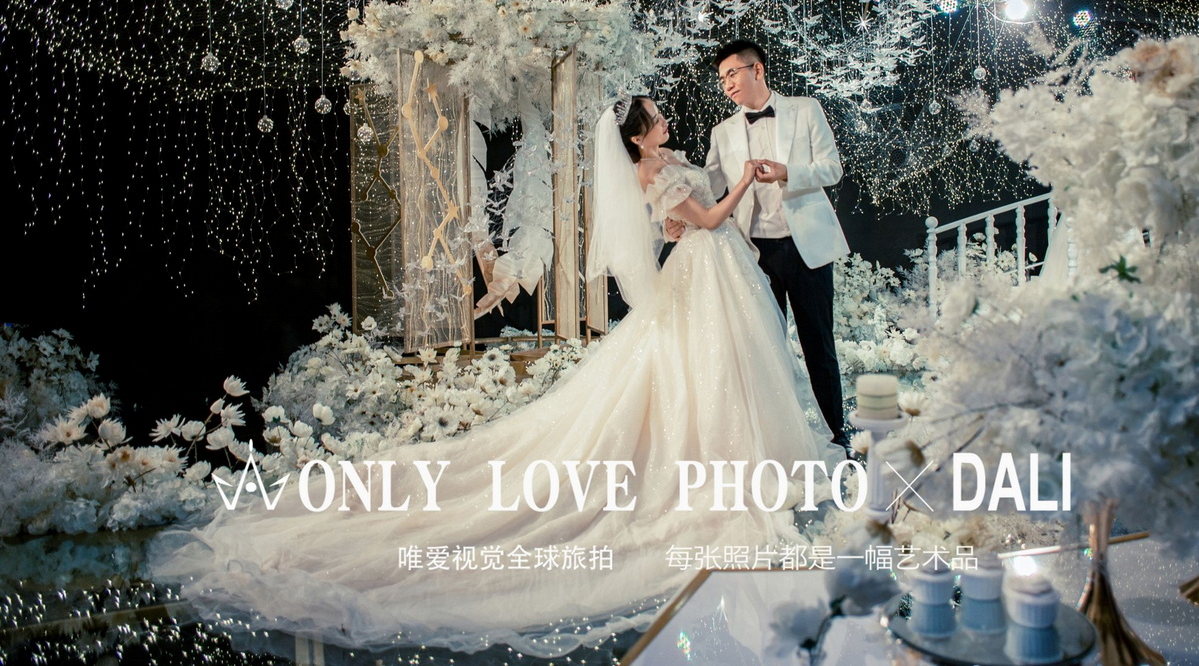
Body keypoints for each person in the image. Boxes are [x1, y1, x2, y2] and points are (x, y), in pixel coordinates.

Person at [150, 96, 842, 657]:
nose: (666, 120)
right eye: (656, 117)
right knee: (697, 373)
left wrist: (707, 207)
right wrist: (744, 184)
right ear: (637, 137)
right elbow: (708, 217)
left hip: (715, 273)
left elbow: (689, 218)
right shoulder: (651, 174)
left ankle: (746, 449)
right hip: (703, 271)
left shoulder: (670, 159)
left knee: (719, 369)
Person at [702, 40, 850, 448]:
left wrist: (788, 172)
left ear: (757, 70)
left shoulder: (805, 109)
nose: (727, 84)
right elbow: (709, 187)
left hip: (806, 248)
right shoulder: (723, 132)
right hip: (755, 253)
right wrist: (676, 206)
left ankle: (836, 435)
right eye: (722, 79)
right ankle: (780, 442)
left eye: (732, 73)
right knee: (766, 352)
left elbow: (832, 168)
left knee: (819, 345)